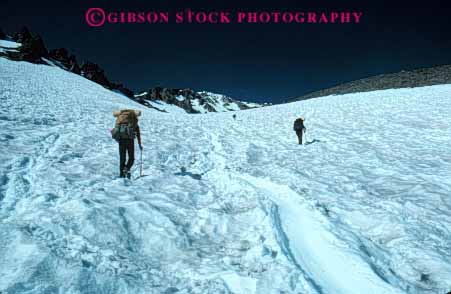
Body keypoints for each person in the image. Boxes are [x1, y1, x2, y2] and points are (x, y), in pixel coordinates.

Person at [112, 109, 143, 178]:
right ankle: (126, 169)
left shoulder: (120, 119)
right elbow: (138, 134)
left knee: (122, 158)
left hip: (121, 140)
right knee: (131, 158)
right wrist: (139, 144)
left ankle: (121, 175)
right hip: (130, 141)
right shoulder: (133, 120)